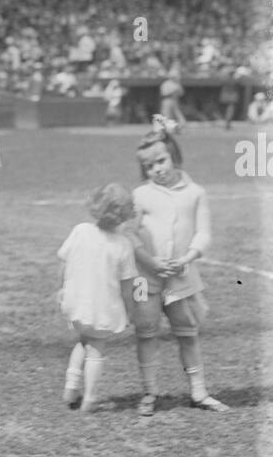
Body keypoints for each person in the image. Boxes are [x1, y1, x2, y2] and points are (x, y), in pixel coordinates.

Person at [128, 117, 228, 417]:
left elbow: (204, 233)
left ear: (174, 155)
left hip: (182, 278)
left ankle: (199, 391)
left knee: (188, 333)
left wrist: (187, 258)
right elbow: (130, 234)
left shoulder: (195, 192)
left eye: (161, 160)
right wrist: (151, 261)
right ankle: (149, 392)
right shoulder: (141, 194)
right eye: (150, 166)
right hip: (145, 278)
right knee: (146, 333)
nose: (157, 169)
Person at [58, 183, 138, 413]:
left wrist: (60, 289)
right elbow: (127, 285)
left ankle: (71, 387)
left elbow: (62, 263)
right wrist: (130, 310)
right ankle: (90, 398)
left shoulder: (80, 230)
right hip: (101, 308)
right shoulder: (123, 246)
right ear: (125, 216)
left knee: (83, 341)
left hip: (76, 303)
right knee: (96, 348)